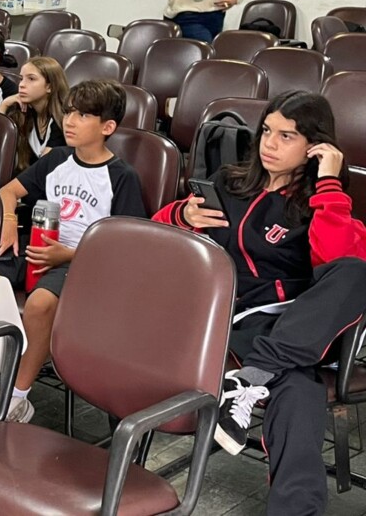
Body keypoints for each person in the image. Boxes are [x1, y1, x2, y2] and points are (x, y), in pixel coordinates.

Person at [152, 91, 366, 516]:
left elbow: (339, 260)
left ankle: (252, 377)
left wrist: (328, 184)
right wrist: (182, 216)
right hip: (232, 322)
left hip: (300, 327)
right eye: (267, 131)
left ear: (316, 146)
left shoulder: (317, 202)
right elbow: (158, 235)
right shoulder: (231, 183)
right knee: (298, 385)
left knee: (357, 272)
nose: (269, 144)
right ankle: (255, 379)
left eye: (287, 136)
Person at [0, 80, 145, 426]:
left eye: (83, 116)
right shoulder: (57, 159)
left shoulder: (121, 176)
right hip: (38, 247)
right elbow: (8, 192)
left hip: (83, 263)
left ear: (107, 127)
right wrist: (9, 221)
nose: (70, 121)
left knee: (39, 303)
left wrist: (67, 255)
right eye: (68, 113)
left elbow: (125, 247)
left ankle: (17, 397)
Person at [0, 56, 68, 174]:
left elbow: (44, 168)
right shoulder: (23, 113)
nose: (21, 85)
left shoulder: (62, 119)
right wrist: (4, 105)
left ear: (49, 86)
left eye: (31, 79)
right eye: (21, 79)